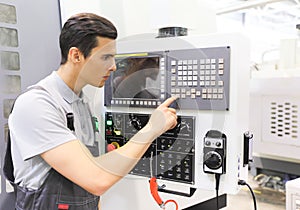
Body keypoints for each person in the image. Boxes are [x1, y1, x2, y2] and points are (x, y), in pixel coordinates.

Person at [6, 13, 177, 210]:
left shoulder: (82, 103)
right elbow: (97, 179)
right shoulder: (36, 105)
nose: (113, 67)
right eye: (105, 57)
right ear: (76, 55)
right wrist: (151, 130)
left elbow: (91, 185)